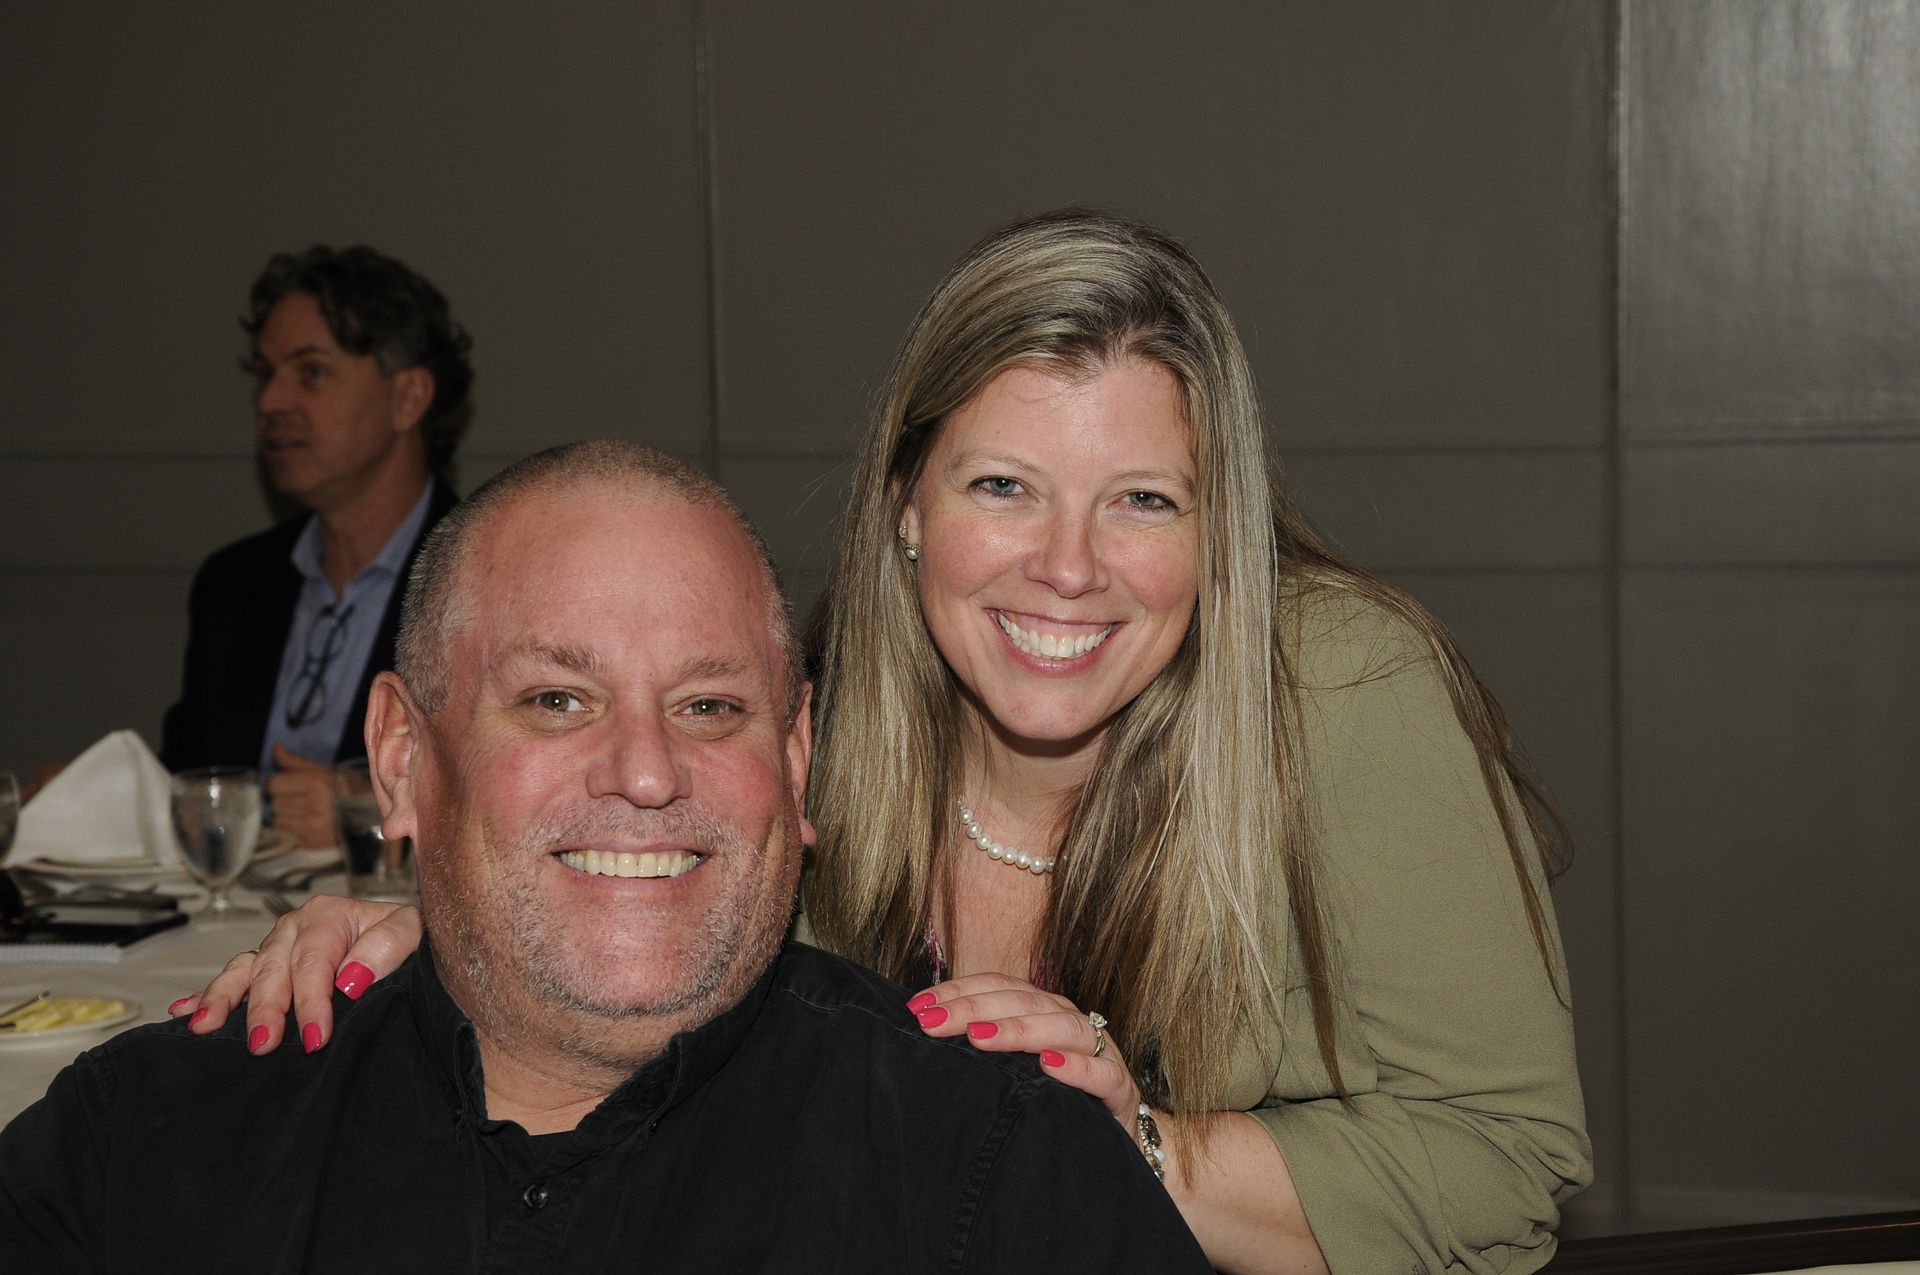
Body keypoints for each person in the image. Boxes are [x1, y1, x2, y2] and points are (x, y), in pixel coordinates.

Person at [179, 211, 1593, 1272]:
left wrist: (1139, 1146)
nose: (1068, 567)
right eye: (1004, 486)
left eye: (1145, 501)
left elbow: (1506, 1169)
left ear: (1217, 527)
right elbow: (666, 962)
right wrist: (440, 942)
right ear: (910, 503)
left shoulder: (1339, 688)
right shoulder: (841, 709)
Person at [0, 442, 1209, 1273]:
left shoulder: (997, 1171)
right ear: (404, 758)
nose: (645, 773)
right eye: (557, 701)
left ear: (797, 762)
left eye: (710, 707)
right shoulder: (152, 1145)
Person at [159, 244, 470, 848]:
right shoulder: (233, 582)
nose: (270, 403)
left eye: (311, 373)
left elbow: (517, 805)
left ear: (407, 399)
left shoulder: (485, 579)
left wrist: (372, 817)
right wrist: (97, 798)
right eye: (265, 374)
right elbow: (187, 781)